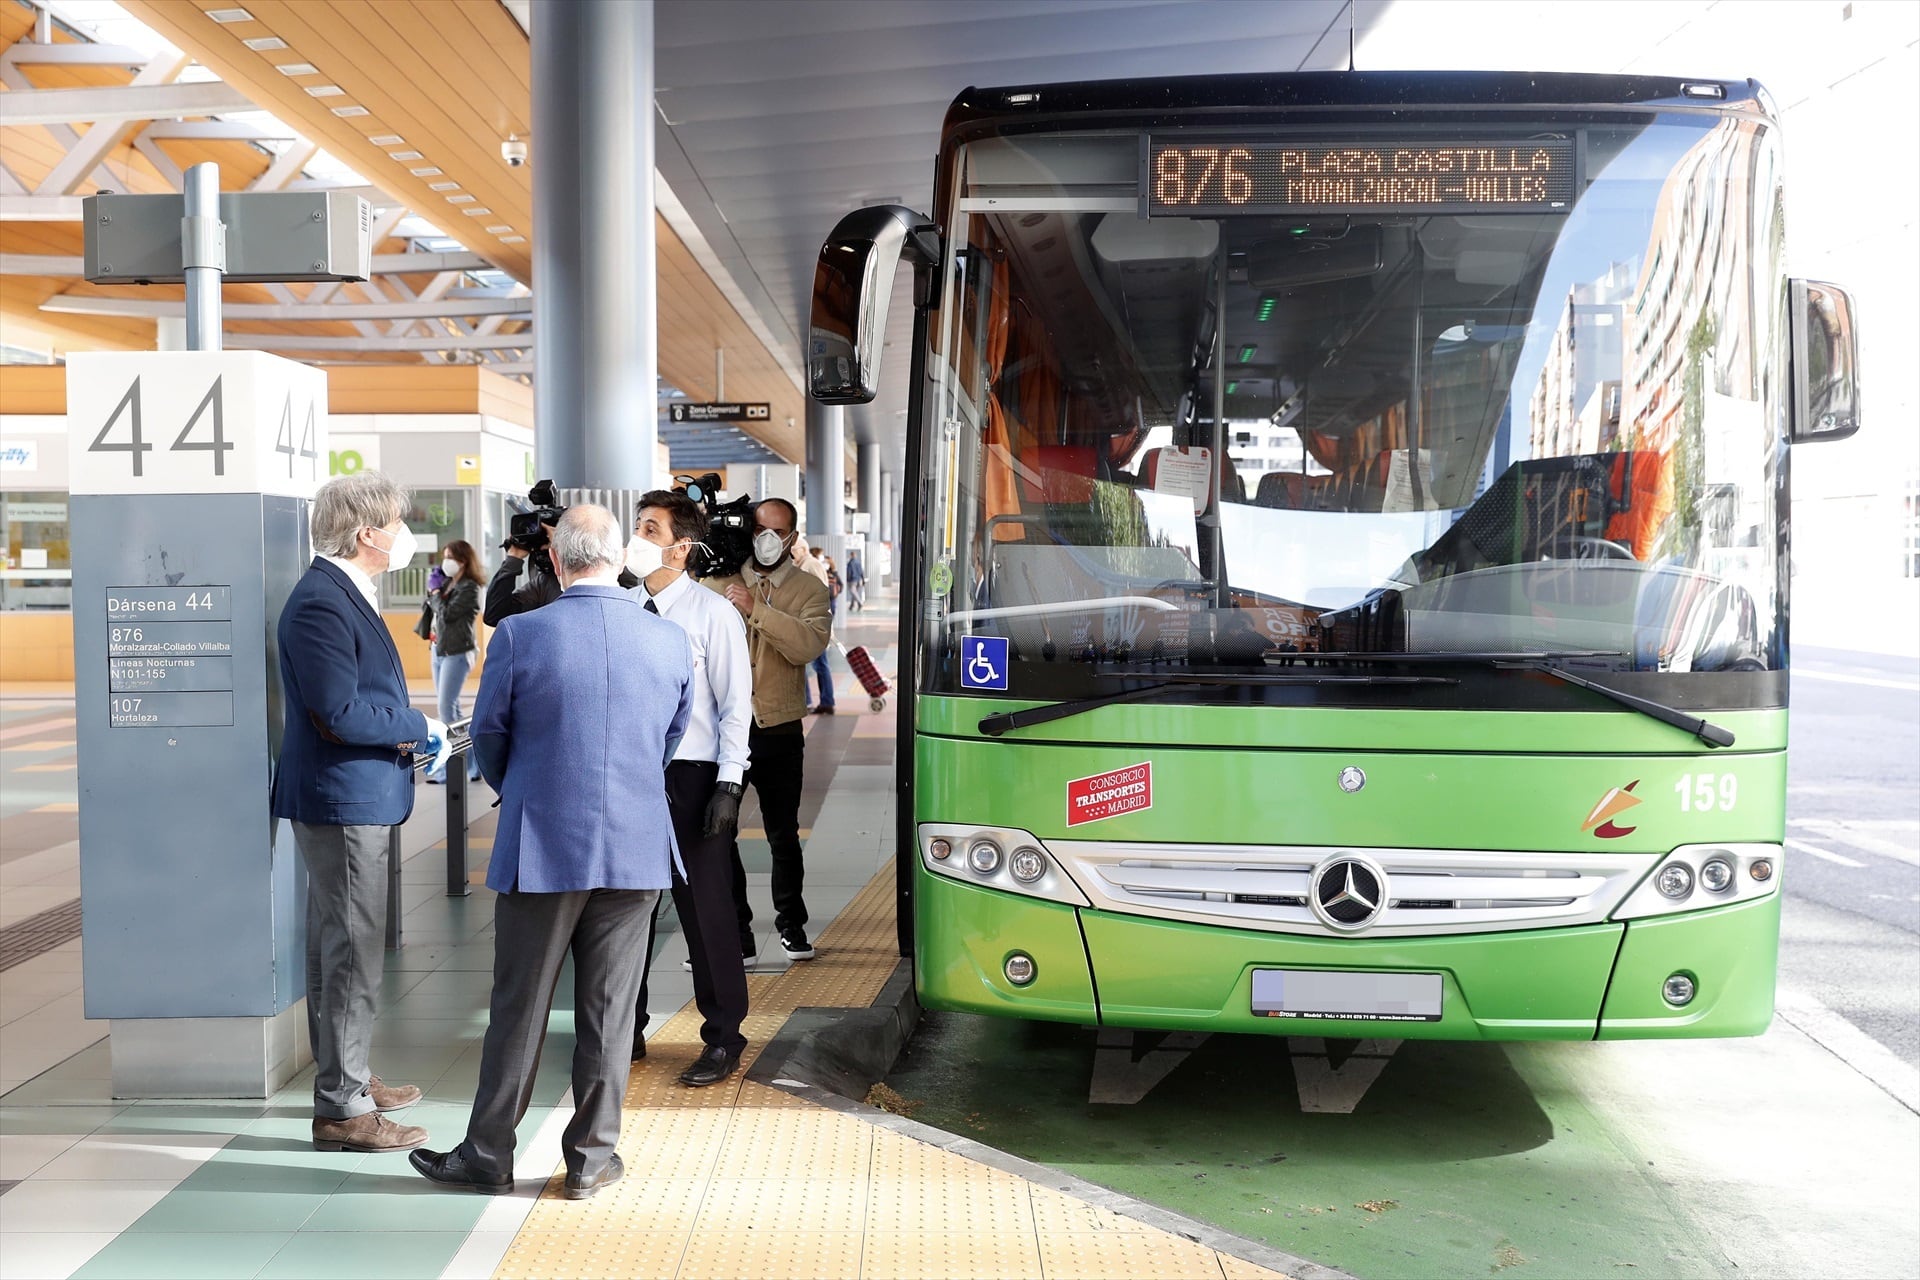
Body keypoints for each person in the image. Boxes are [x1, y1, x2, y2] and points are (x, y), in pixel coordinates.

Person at [411, 505, 693, 1198]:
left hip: (542, 844)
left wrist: (532, 792)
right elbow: (669, 739)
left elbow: (492, 738)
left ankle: (487, 1155)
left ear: (558, 561)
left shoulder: (521, 636)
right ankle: (592, 1162)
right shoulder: (668, 639)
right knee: (610, 1011)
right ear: (618, 559)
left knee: (520, 1003)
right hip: (634, 846)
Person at [272, 471, 445, 1155]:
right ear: (368, 532)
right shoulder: (322, 601)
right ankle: (343, 1108)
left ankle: (348, 1078)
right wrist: (415, 724)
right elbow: (340, 711)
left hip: (352, 795)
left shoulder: (345, 593)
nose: (404, 534)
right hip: (343, 799)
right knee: (352, 952)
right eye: (397, 521)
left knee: (336, 946)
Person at [626, 491, 754, 1086]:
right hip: (630, 775)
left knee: (705, 909)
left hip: (694, 777)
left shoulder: (712, 614)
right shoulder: (624, 606)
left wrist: (730, 784)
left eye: (650, 528)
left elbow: (735, 708)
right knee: (625, 906)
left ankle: (725, 1035)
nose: (638, 535)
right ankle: (626, 1026)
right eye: (638, 525)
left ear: (681, 547)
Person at [705, 498, 831, 962]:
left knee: (783, 835)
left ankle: (791, 925)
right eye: (759, 527)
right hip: (724, 731)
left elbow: (807, 646)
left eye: (777, 531)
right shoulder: (718, 580)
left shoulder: (809, 589)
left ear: (792, 539)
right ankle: (737, 931)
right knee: (721, 832)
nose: (766, 538)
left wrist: (756, 607)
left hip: (778, 729)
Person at [424, 539, 485, 784]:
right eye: (444, 556)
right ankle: (472, 765)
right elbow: (433, 609)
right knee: (453, 711)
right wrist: (433, 590)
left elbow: (447, 614)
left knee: (446, 709)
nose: (445, 561)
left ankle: (448, 770)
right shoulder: (450, 584)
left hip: (458, 652)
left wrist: (436, 593)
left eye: (450, 557)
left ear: (462, 560)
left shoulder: (470, 587)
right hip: (439, 649)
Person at [804, 545, 838, 715]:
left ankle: (824, 701)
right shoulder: (805, 564)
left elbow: (820, 594)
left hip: (815, 627)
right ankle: (813, 701)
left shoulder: (810, 565)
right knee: (814, 665)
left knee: (820, 665)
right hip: (809, 625)